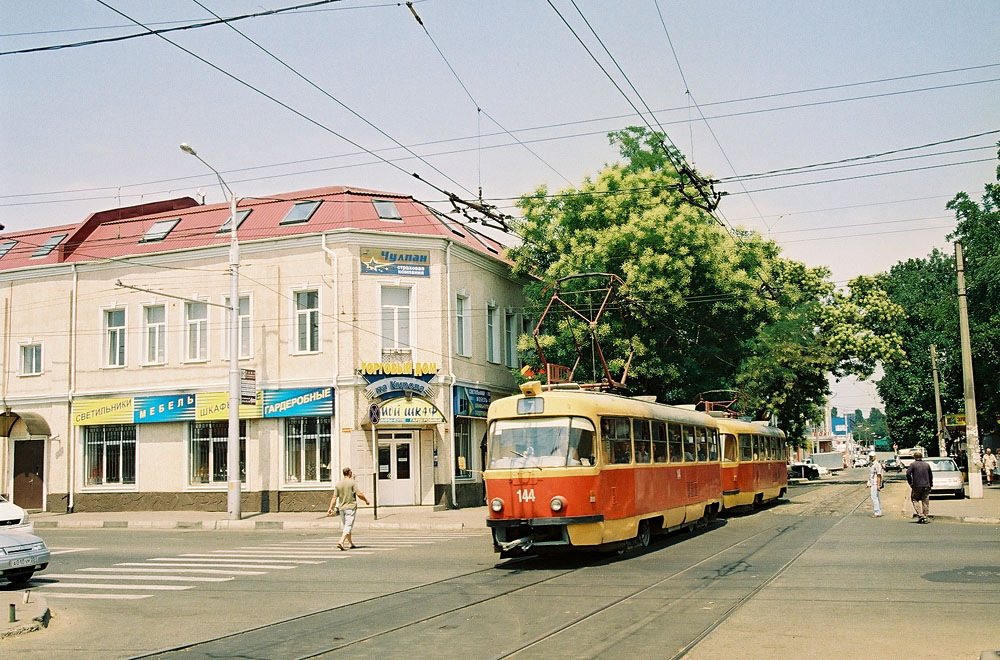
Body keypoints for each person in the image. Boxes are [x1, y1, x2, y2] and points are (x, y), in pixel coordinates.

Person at [327, 467, 370, 550]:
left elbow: (334, 498)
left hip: (342, 508)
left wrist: (330, 508)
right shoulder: (352, 483)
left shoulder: (338, 484)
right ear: (349, 473)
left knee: (346, 525)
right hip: (350, 507)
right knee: (348, 525)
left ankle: (350, 543)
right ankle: (341, 541)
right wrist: (366, 500)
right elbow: (359, 494)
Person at [905, 450, 933, 523]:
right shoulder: (926, 465)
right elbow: (930, 476)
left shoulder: (913, 465)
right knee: (925, 501)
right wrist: (930, 485)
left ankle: (920, 514)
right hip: (926, 485)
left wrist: (910, 483)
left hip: (916, 485)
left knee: (914, 499)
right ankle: (925, 516)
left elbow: (908, 474)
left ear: (914, 457)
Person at [868, 450, 884, 517]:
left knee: (874, 497)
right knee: (876, 497)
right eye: (870, 456)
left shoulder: (877, 464)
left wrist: (878, 485)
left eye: (872, 457)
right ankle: (879, 511)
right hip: (872, 483)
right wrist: (868, 483)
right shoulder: (871, 464)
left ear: (875, 457)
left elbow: (879, 475)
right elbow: (871, 475)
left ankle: (877, 512)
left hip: (875, 483)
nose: (871, 458)